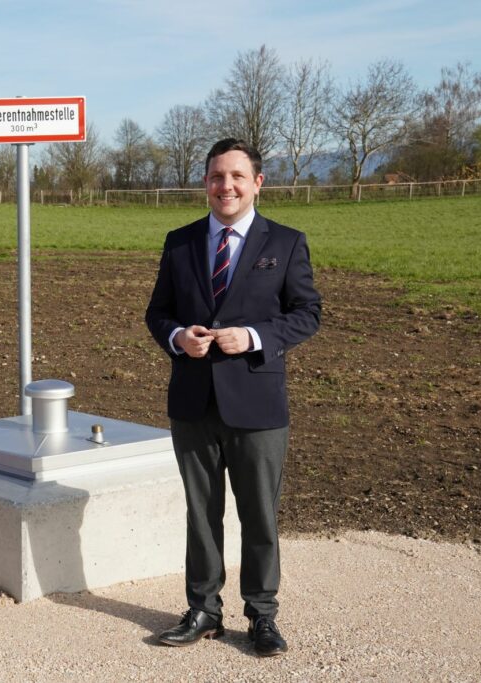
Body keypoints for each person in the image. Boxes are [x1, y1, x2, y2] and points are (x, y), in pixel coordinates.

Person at [145, 138, 321, 657]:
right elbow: (158, 313)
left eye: (237, 177)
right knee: (201, 514)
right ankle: (203, 609)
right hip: (193, 403)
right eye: (217, 177)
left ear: (257, 183)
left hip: (258, 406)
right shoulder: (179, 242)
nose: (227, 186)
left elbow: (307, 312)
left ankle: (262, 615)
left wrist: (254, 338)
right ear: (206, 182)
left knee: (259, 515)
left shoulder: (286, 243)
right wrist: (179, 338)